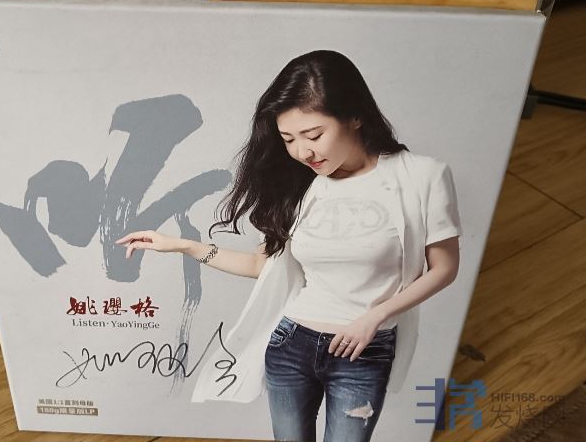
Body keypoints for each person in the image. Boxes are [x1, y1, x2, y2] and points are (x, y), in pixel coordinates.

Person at [116, 50, 461, 442]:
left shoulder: (421, 176)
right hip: (291, 344)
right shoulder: (301, 186)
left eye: (313, 136)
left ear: (355, 115)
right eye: (288, 139)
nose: (302, 152)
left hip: (363, 351)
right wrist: (181, 246)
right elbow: (259, 266)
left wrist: (376, 316)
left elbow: (444, 268)